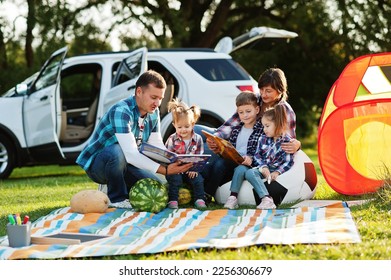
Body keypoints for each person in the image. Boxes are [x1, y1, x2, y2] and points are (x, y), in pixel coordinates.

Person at [76, 70, 192, 209]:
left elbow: (156, 145)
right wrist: (165, 170)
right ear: (139, 92)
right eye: (153, 97)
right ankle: (116, 198)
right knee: (117, 151)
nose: (157, 103)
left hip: (127, 164)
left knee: (156, 187)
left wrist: (174, 159)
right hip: (99, 165)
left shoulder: (153, 113)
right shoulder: (122, 111)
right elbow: (131, 154)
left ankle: (117, 187)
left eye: (160, 98)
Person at [201, 67, 301, 199]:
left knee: (216, 161)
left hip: (254, 154)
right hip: (239, 142)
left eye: (268, 91)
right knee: (198, 131)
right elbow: (231, 124)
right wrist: (216, 138)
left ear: (280, 90)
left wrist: (297, 145)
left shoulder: (284, 111)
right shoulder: (255, 100)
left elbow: (287, 142)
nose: (263, 94)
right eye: (261, 89)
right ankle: (193, 183)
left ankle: (204, 192)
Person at [224, 104, 294, 209]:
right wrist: (263, 167)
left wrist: (277, 172)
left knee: (249, 172)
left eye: (267, 126)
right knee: (240, 169)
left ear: (278, 124)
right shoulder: (263, 138)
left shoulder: (286, 141)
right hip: (262, 167)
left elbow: (288, 162)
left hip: (274, 168)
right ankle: (233, 198)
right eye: (263, 126)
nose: (264, 129)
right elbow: (257, 155)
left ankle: (267, 198)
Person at [164, 98, 207, 209]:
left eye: (187, 126)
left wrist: (195, 168)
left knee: (198, 180)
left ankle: (199, 199)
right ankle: (173, 200)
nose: (183, 130)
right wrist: (173, 163)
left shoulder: (197, 139)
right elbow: (166, 156)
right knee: (175, 180)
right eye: (180, 127)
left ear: (192, 124)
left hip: (191, 170)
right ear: (174, 125)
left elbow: (200, 157)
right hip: (176, 170)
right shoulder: (172, 139)